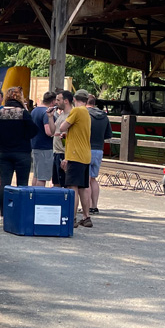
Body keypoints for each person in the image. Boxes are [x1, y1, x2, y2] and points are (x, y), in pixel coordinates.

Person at [0, 86, 36, 212]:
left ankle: (3, 212)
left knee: (4, 183)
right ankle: (20, 211)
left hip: (4, 152)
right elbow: (34, 131)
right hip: (22, 153)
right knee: (22, 183)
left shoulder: (0, 113)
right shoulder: (22, 113)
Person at [56, 89, 93, 227]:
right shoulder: (87, 113)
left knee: (73, 187)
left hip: (75, 155)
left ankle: (72, 218)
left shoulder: (76, 111)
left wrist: (64, 130)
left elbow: (63, 126)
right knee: (83, 187)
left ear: (74, 99)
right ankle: (86, 217)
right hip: (85, 154)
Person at [85, 91, 112, 214]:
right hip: (99, 150)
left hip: (86, 148)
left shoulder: (85, 114)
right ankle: (94, 205)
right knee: (93, 179)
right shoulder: (104, 116)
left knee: (86, 178)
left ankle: (88, 206)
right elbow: (108, 135)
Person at [31, 91, 56, 186]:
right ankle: (39, 199)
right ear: (53, 102)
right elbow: (48, 132)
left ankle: (32, 196)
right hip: (45, 148)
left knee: (36, 175)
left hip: (35, 145)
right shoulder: (46, 113)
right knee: (43, 177)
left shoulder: (34, 111)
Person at [49, 91, 70, 187]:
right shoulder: (61, 115)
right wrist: (50, 117)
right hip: (56, 152)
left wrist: (63, 136)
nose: (56, 102)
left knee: (64, 183)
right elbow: (53, 131)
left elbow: (67, 137)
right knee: (56, 182)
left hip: (63, 153)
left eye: (58, 100)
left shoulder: (70, 115)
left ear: (65, 101)